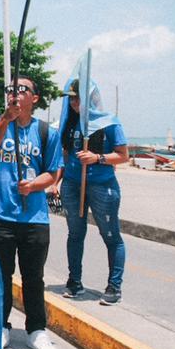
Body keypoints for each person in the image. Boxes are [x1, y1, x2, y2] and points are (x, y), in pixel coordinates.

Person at [0, 76, 61, 349]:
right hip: (0, 216)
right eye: (11, 89)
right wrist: (4, 121)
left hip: (34, 218)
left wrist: (33, 186)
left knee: (34, 277)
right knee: (0, 277)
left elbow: (53, 172)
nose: (15, 94)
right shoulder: (0, 125)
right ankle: (1, 327)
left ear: (35, 98)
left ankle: (36, 330)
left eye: (22, 90)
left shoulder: (45, 132)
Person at [51, 76, 129, 306]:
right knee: (75, 234)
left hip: (103, 186)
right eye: (71, 100)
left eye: (78, 99)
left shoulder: (109, 123)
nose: (75, 104)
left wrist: (98, 158)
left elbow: (123, 156)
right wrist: (56, 182)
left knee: (111, 235)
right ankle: (74, 281)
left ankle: (114, 285)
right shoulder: (69, 124)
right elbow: (64, 157)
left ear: (91, 98)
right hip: (73, 185)